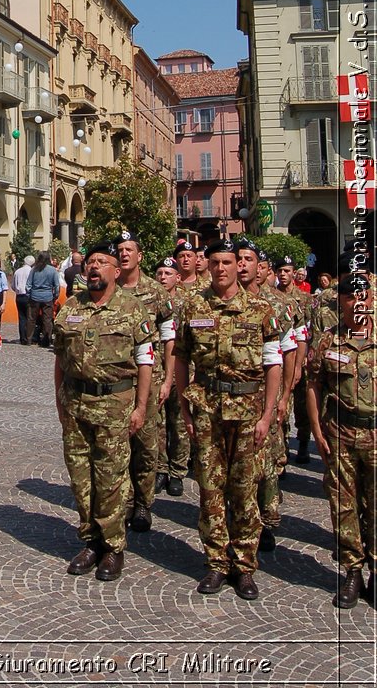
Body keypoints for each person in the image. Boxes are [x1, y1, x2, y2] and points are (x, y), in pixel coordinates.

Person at [174, 239, 282, 600]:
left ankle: (244, 566)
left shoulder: (261, 309)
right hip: (207, 408)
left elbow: (273, 364)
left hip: (249, 411)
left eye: (228, 262)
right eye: (216, 262)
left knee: (245, 490)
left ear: (239, 266)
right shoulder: (193, 305)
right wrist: (184, 406)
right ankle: (217, 563)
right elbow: (180, 358)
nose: (221, 268)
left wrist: (268, 414)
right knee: (209, 488)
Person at [53, 243, 154, 582]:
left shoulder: (132, 308)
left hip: (115, 405)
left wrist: (140, 407)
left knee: (110, 479)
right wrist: (59, 399)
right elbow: (59, 358)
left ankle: (113, 547)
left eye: (102, 262)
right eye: (91, 262)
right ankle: (90, 541)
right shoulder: (70, 308)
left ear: (115, 270)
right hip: (77, 403)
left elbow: (145, 361)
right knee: (81, 479)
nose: (94, 267)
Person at [307, 272, 376, 609]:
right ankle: (352, 571)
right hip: (341, 435)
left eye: (364, 296)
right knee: (343, 506)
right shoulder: (327, 341)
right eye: (351, 297)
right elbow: (313, 385)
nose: (358, 302)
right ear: (342, 302)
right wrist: (317, 431)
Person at [236, 239, 297, 553]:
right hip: (236, 398)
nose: (246, 267)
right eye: (241, 260)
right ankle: (242, 520)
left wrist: (284, 396)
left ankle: (267, 520)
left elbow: (288, 354)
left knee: (267, 460)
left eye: (252, 261)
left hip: (267, 397)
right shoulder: (224, 301)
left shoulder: (276, 304)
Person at [114, 230, 175, 530]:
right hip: (119, 381)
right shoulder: (109, 290)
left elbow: (170, 339)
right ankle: (124, 501)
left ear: (139, 256)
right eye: (120, 249)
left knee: (147, 445)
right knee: (120, 443)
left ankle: (143, 503)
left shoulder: (156, 293)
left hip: (151, 382)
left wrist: (167, 381)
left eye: (129, 249)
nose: (124, 254)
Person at [153, 256, 190, 497]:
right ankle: (161, 468)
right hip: (158, 369)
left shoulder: (189, 302)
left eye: (168, 274)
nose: (163, 278)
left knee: (179, 424)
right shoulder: (152, 300)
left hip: (183, 370)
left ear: (178, 277)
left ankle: (178, 472)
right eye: (160, 274)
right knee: (158, 424)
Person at [274, 255, 312, 463]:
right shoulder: (273, 297)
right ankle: (284, 447)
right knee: (282, 405)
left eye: (287, 271)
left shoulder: (304, 298)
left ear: (294, 273)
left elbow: (305, 332)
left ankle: (304, 442)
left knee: (302, 405)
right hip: (281, 360)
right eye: (280, 271)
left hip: (300, 358)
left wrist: (301, 361)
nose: (283, 274)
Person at [25, 252, 61, 348]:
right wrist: (55, 296)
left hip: (34, 296)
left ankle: (29, 339)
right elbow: (57, 285)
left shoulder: (34, 270)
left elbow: (28, 285)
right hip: (48, 297)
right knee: (47, 320)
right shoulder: (52, 270)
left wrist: (29, 295)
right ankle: (46, 340)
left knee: (31, 319)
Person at [12, 255, 34, 343]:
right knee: (29, 317)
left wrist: (17, 290)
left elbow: (13, 286)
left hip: (19, 296)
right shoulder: (31, 271)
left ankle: (22, 338)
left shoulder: (17, 271)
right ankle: (28, 337)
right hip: (28, 295)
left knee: (21, 318)